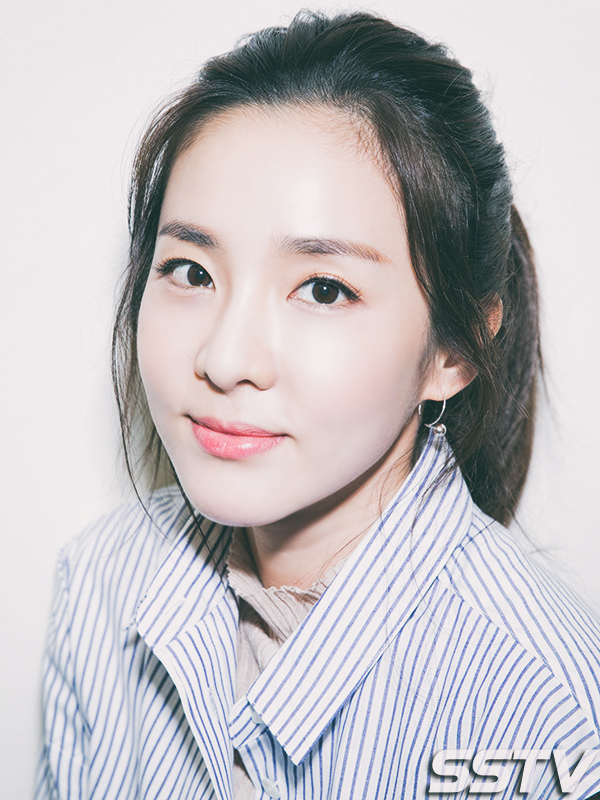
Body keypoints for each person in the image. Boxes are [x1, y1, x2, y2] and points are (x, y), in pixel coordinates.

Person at [36, 10, 600, 800]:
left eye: (325, 289)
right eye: (191, 272)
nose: (225, 359)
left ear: (455, 349)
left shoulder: (553, 713)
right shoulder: (101, 580)